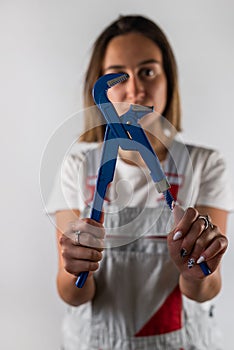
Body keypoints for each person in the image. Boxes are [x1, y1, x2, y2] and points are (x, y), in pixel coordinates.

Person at [46, 15, 233, 350]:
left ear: (168, 79)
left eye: (148, 71)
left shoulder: (207, 165)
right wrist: (74, 265)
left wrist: (195, 269)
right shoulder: (75, 165)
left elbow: (207, 286)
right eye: (119, 75)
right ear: (98, 86)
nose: (135, 89)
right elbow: (70, 291)